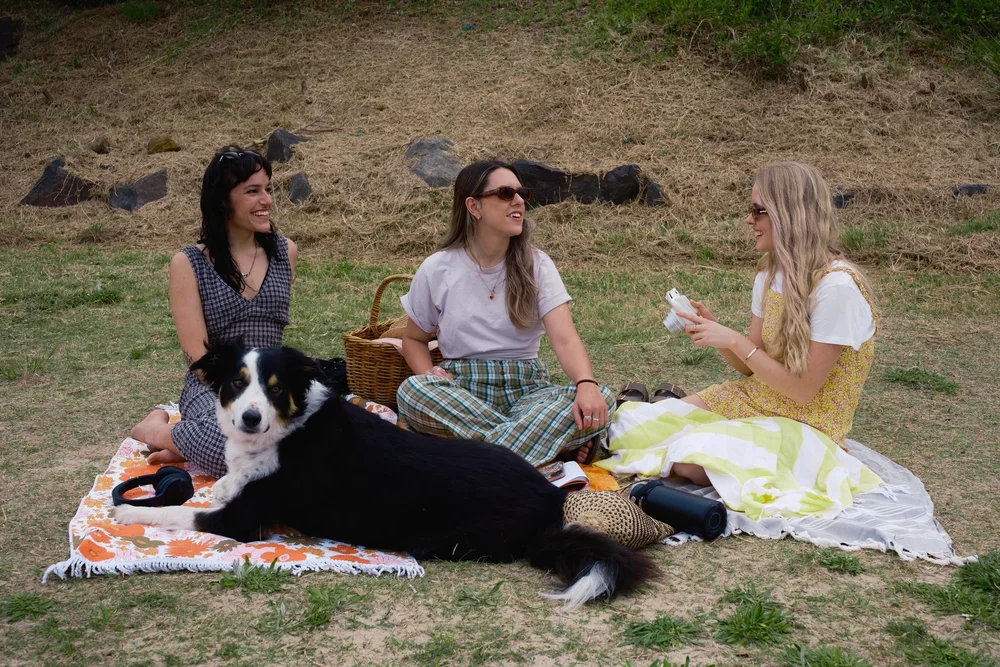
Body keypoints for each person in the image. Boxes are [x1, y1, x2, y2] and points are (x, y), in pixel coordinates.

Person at [396, 159, 614, 466]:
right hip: (462, 391)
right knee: (413, 391)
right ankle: (543, 448)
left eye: (522, 193)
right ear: (474, 206)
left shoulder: (537, 264)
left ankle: (486, 460)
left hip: (528, 391)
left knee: (600, 397)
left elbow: (565, 340)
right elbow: (414, 339)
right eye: (505, 193)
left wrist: (587, 385)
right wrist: (428, 372)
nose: (519, 201)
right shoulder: (438, 268)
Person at [673, 162, 877, 485]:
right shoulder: (770, 276)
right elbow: (752, 368)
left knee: (684, 461)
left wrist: (734, 340)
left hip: (807, 428)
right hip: (757, 401)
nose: (749, 219)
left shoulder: (837, 289)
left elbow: (803, 390)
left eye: (758, 210)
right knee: (653, 427)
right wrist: (717, 335)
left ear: (788, 214)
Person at [129, 147, 298, 478]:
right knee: (235, 445)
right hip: (214, 389)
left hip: (272, 385)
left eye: (267, 188)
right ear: (223, 201)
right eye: (253, 191)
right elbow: (199, 359)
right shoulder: (189, 263)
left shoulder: (284, 252)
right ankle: (154, 431)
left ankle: (181, 446)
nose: (266, 200)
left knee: (318, 438)